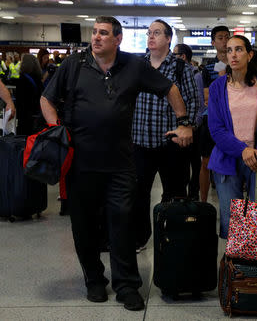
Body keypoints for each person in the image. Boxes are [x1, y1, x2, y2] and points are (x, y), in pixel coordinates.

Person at [40, 16, 191, 311]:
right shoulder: (74, 64)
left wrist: (184, 122)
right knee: (84, 226)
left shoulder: (133, 66)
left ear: (118, 39)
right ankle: (94, 280)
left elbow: (169, 89)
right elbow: (46, 99)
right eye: (94, 32)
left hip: (121, 163)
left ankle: (126, 285)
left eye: (104, 33)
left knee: (122, 223)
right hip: (80, 163)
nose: (96, 38)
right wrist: (56, 128)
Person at [132, 19, 198, 252]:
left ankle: (171, 236)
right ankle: (139, 238)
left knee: (174, 194)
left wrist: (187, 127)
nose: (151, 37)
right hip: (139, 142)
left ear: (169, 39)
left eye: (157, 33)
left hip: (171, 143)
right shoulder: (137, 66)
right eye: (149, 33)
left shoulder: (182, 69)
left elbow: (193, 102)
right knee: (138, 194)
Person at [208, 35, 257, 239]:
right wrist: (242, 150)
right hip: (228, 158)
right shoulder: (217, 87)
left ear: (250, 55)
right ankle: (235, 268)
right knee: (233, 223)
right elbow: (216, 129)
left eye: (239, 49)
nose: (233, 55)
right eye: (229, 50)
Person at [200, 25, 230, 202]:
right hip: (211, 118)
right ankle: (203, 203)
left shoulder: (238, 65)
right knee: (206, 162)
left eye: (227, 36)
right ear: (213, 42)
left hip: (234, 120)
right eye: (220, 37)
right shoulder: (208, 68)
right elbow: (207, 96)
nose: (225, 40)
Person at [174, 43, 204, 200]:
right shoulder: (174, 73)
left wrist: (193, 126)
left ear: (183, 56)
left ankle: (193, 197)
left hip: (192, 128)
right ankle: (181, 197)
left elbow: (199, 104)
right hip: (179, 127)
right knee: (182, 166)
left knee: (195, 164)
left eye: (175, 54)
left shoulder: (195, 74)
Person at [15, 54, 44, 135]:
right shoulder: (37, 78)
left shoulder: (22, 79)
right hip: (36, 113)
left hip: (24, 115)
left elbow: (20, 100)